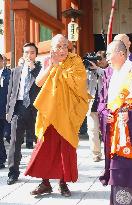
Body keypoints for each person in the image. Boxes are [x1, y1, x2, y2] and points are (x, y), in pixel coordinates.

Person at [24, 34, 88, 197]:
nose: (62, 50)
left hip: (67, 112)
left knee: (64, 148)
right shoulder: (47, 60)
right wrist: (52, 66)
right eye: (58, 46)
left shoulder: (75, 61)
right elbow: (38, 82)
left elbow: (79, 84)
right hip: (49, 112)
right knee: (44, 148)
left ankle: (63, 183)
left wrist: (59, 67)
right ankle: (45, 183)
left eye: (65, 46)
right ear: (52, 48)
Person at [98, 40, 132, 204]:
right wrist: (105, 114)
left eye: (109, 54)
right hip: (115, 134)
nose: (106, 57)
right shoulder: (108, 74)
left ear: (121, 54)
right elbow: (101, 101)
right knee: (118, 171)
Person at [6, 42, 42, 185]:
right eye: (26, 52)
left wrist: (33, 69)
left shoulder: (41, 70)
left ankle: (43, 174)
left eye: (32, 52)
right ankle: (13, 173)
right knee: (15, 142)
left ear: (36, 55)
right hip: (18, 109)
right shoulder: (15, 71)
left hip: (35, 110)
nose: (29, 55)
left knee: (40, 142)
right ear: (23, 54)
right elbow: (10, 92)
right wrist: (9, 111)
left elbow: (43, 86)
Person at [85, 51, 108, 162]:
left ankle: (109, 152)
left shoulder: (109, 70)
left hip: (105, 106)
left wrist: (97, 69)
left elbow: (107, 76)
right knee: (92, 130)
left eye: (99, 59)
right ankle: (96, 154)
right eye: (95, 59)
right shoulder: (88, 71)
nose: (97, 61)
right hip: (92, 105)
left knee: (106, 131)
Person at [0, 54, 11, 169]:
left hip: (7, 110)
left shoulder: (9, 74)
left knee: (8, 135)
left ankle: (15, 154)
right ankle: (1, 160)